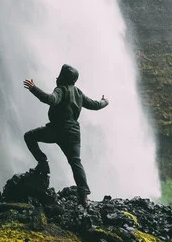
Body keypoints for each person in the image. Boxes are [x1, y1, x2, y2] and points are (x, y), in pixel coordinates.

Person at [23, 64, 108, 208]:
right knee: (75, 162)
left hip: (56, 131)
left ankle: (43, 163)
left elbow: (51, 99)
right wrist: (105, 101)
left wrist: (33, 88)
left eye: (59, 75)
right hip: (73, 133)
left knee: (29, 136)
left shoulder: (60, 89)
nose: (57, 77)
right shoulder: (79, 93)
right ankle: (83, 197)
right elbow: (95, 105)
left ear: (63, 77)